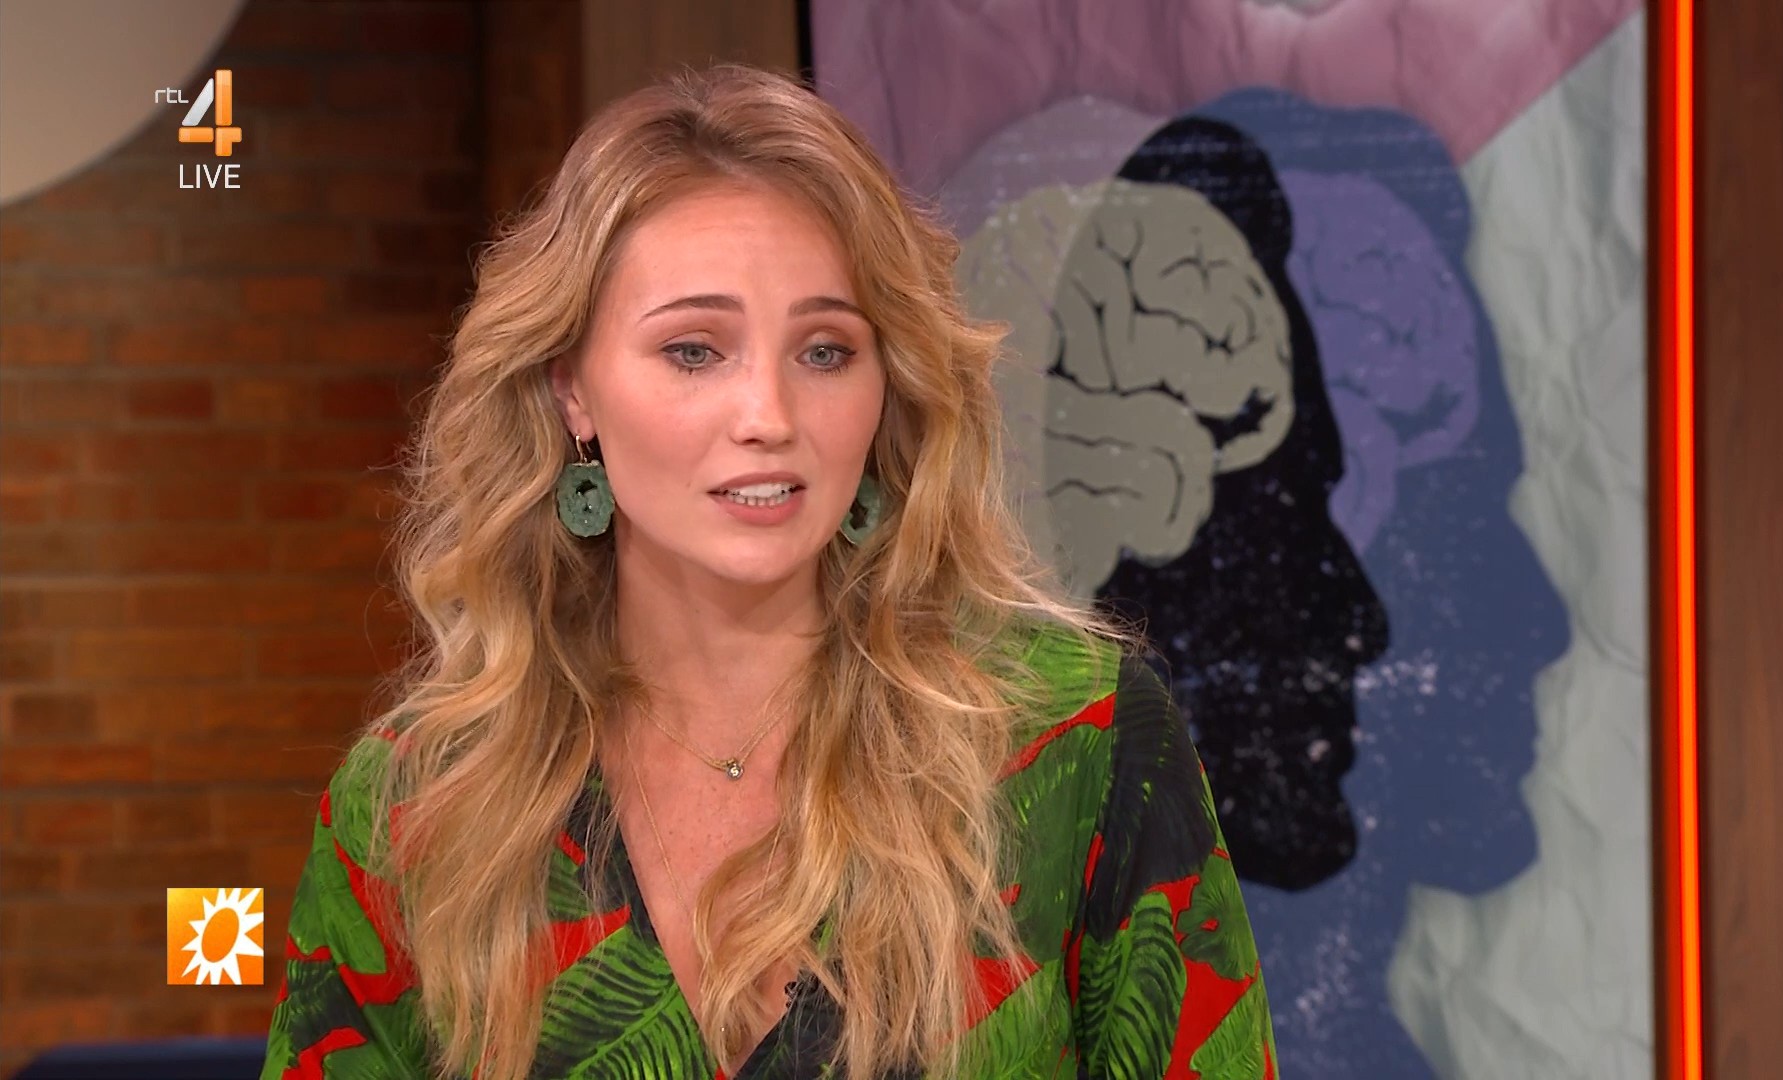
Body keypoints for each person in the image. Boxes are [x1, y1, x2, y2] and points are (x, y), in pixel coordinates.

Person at [260, 64, 1278, 1080]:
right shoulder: (414, 804)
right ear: (572, 388)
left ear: (889, 383)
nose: (769, 417)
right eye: (694, 351)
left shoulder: (1077, 737)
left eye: (825, 351)